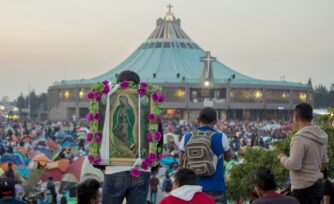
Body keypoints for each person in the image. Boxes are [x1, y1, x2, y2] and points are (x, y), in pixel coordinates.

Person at [101, 70, 164, 204]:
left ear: (118, 84)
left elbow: (99, 135)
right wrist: (151, 165)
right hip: (141, 169)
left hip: (114, 169)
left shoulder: (107, 104)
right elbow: (158, 138)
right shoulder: (148, 105)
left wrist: (102, 164)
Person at [278, 103, 328, 204]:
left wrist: (282, 158)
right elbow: (324, 160)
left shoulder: (299, 138)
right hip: (317, 185)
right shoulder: (322, 135)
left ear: (296, 117)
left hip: (302, 188)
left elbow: (295, 165)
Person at [179, 107, 231, 203]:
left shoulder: (187, 136)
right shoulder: (221, 136)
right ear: (215, 121)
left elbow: (181, 163)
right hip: (216, 188)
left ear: (198, 120)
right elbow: (228, 158)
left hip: (194, 188)